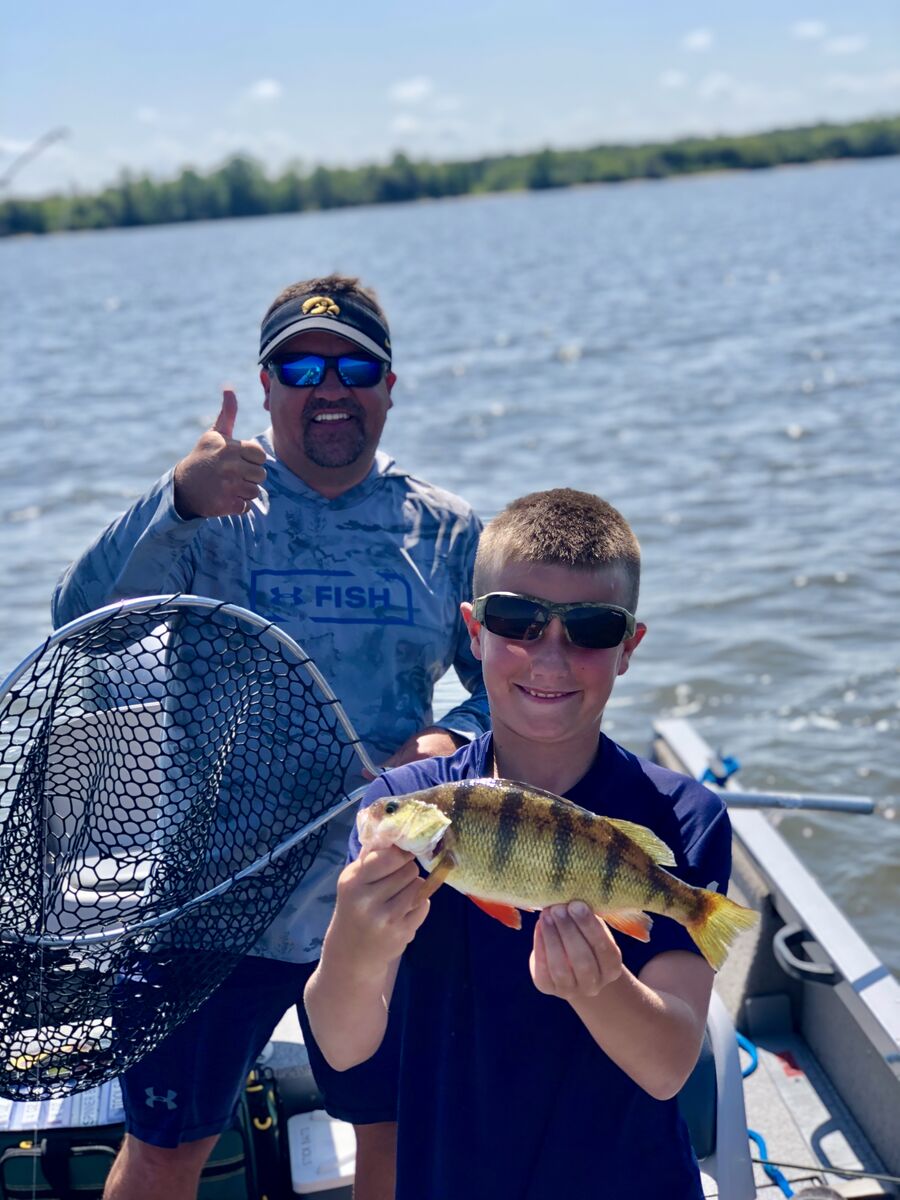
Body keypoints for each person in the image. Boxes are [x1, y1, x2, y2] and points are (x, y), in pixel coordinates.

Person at [51, 274, 489, 1200]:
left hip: (383, 894)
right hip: (213, 898)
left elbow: (512, 691)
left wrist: (449, 742)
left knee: (393, 1131)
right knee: (167, 1145)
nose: (328, 386)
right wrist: (173, 498)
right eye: (301, 365)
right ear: (266, 384)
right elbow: (79, 625)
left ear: (390, 385)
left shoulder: (445, 532)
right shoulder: (214, 506)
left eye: (353, 366)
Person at [305, 488, 742, 1200]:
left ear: (629, 646)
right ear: (474, 632)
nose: (550, 656)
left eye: (592, 628)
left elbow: (668, 1065)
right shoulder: (411, 808)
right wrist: (355, 943)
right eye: (518, 621)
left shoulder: (683, 816)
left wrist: (600, 990)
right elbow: (343, 1045)